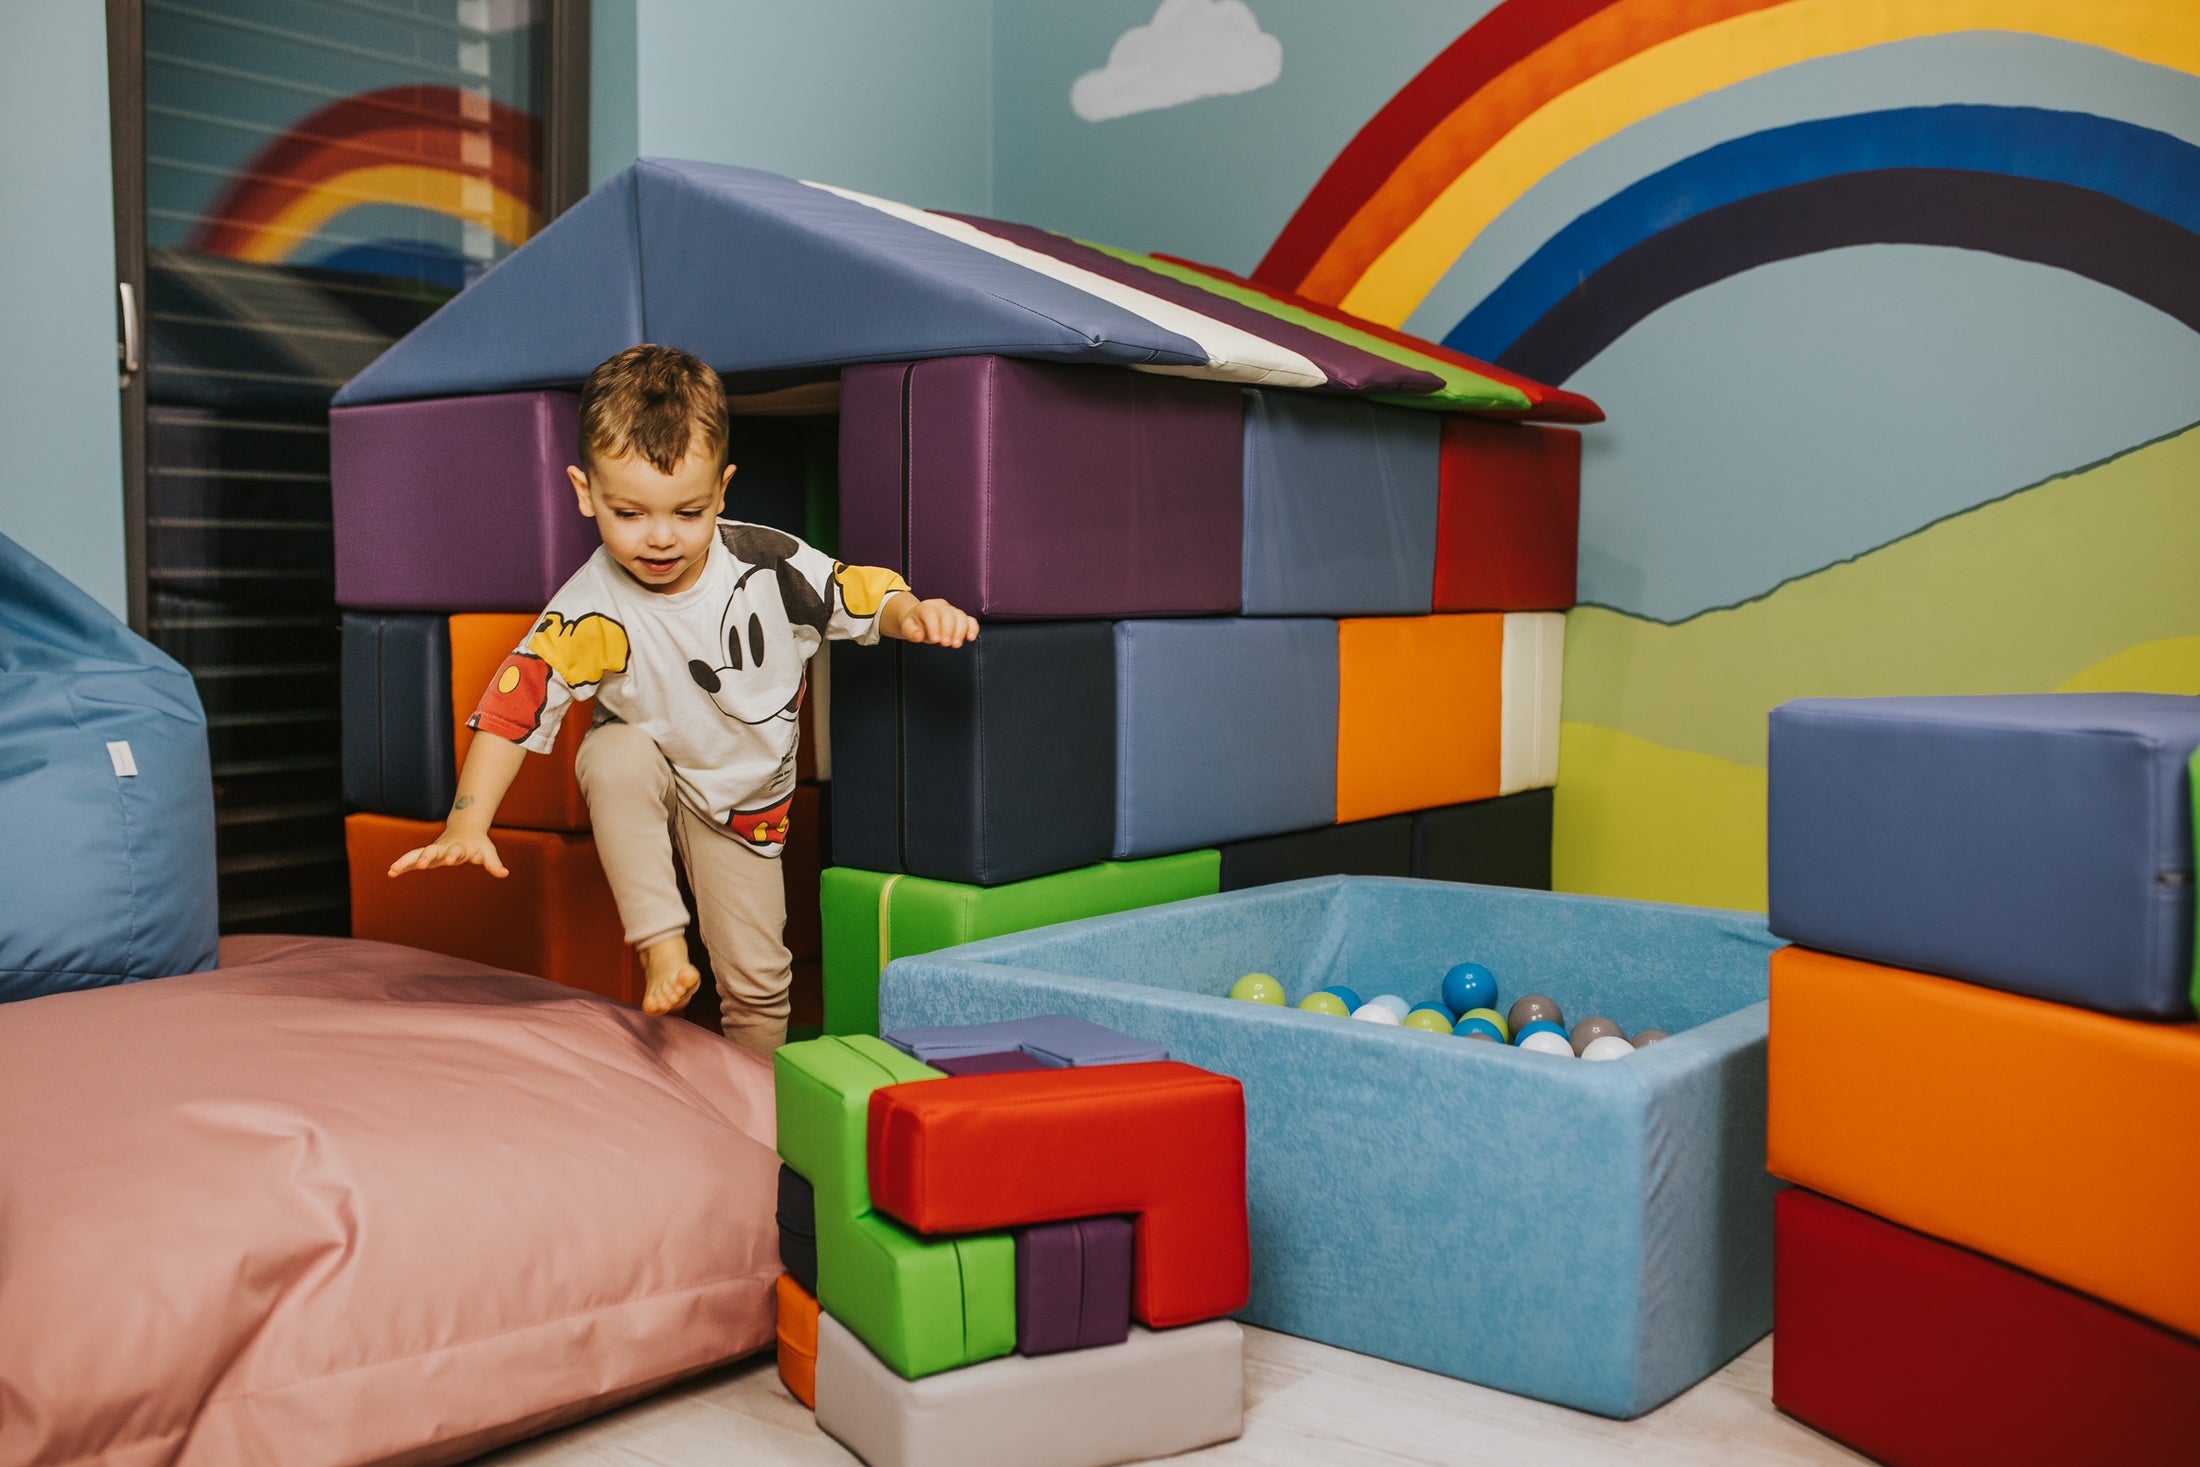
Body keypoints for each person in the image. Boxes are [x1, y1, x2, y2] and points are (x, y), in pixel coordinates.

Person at [387, 344, 976, 1054]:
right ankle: (662, 946)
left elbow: (856, 590)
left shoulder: (767, 562)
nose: (661, 537)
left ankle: (756, 1103)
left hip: (748, 801)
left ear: (722, 491)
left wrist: (911, 612)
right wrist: (467, 821)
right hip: (653, 774)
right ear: (585, 493)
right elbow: (518, 703)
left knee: (760, 981)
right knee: (613, 752)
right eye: (630, 513)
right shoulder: (591, 610)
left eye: (688, 512)